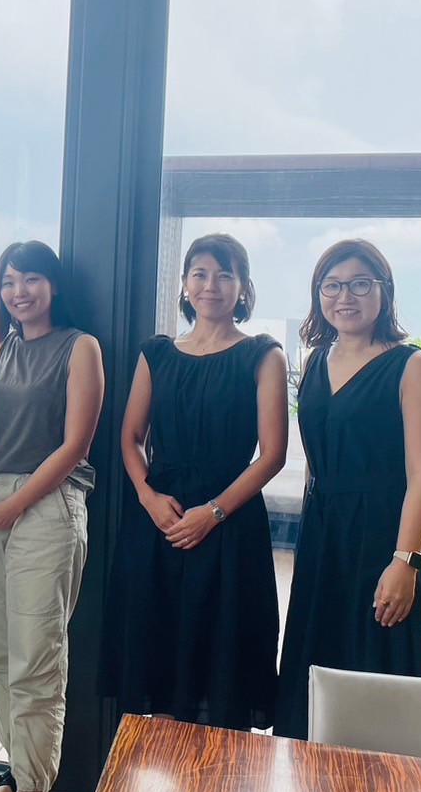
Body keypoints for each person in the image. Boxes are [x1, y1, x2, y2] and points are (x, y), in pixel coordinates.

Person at [103, 233, 287, 733]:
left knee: (221, 663)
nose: (211, 285)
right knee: (156, 655)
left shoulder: (263, 354)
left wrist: (214, 512)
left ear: (243, 287)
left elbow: (272, 455)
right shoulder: (156, 353)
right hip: (158, 522)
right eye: (200, 274)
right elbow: (130, 438)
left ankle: (217, 780)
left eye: (225, 275)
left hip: (229, 523)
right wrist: (147, 496)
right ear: (184, 284)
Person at [274, 239, 421, 739]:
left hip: (383, 537)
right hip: (323, 535)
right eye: (331, 285)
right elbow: (315, 462)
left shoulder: (413, 365)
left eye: (360, 284)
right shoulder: (314, 361)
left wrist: (405, 562)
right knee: (316, 672)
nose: (344, 296)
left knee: (381, 672)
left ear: (384, 291)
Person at [0, 241, 103, 792]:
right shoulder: (4, 349)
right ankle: (18, 770)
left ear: (54, 285)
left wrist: (16, 503)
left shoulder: (80, 346)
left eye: (32, 279)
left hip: (48, 503)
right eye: (9, 281)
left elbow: (75, 445)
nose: (18, 292)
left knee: (36, 651)